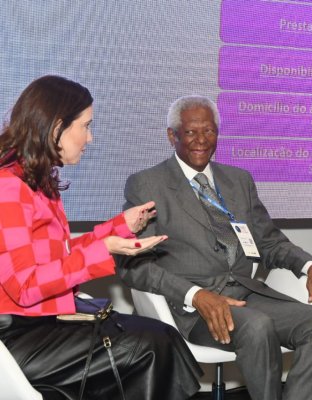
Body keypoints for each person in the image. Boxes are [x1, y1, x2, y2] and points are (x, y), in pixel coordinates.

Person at [117, 95, 312, 400]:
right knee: (257, 326)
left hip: (249, 295)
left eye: (209, 131)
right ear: (172, 136)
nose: (201, 140)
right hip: (193, 308)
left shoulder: (239, 180)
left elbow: (268, 240)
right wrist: (194, 295)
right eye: (190, 132)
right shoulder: (147, 185)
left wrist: (308, 265)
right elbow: (133, 265)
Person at [0, 76, 202, 400]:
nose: (89, 138)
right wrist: (103, 251)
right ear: (56, 128)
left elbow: (60, 254)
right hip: (17, 336)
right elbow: (25, 286)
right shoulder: (9, 187)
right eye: (85, 126)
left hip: (39, 324)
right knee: (153, 346)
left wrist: (119, 228)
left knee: (161, 338)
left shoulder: (36, 183)